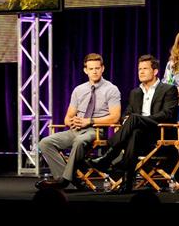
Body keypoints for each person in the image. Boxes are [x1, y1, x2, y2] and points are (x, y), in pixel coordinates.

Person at [88, 54, 178, 192]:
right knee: (134, 131)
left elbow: (167, 114)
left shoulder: (168, 89)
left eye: (145, 69)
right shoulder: (135, 93)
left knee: (135, 119)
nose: (141, 72)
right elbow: (127, 114)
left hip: (159, 133)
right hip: (138, 136)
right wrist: (127, 121)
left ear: (155, 71)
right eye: (139, 69)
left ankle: (109, 155)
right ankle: (126, 185)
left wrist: (137, 119)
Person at [36, 53, 121, 190]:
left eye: (97, 68)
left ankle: (63, 181)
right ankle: (69, 178)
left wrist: (89, 121)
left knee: (80, 141)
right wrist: (72, 121)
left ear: (102, 69)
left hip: (96, 131)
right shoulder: (79, 90)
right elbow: (67, 118)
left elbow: (115, 117)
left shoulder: (111, 89)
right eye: (91, 68)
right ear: (85, 70)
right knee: (45, 143)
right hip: (76, 129)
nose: (94, 71)